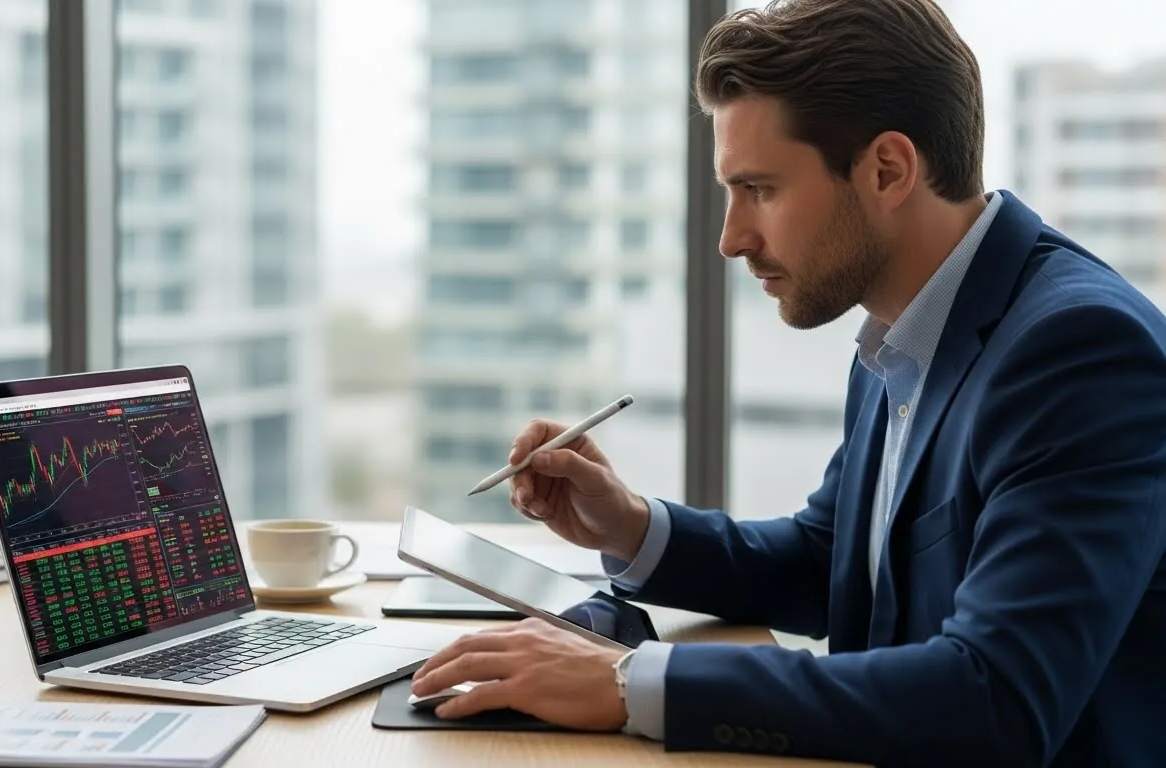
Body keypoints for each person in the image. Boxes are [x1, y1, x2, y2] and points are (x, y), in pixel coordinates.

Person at [408, 0, 1166, 765]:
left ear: (887, 170)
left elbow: (996, 696)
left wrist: (625, 681)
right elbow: (827, 560)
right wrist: (631, 527)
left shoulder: (1077, 350)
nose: (731, 239)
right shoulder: (902, 329)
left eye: (759, 190)